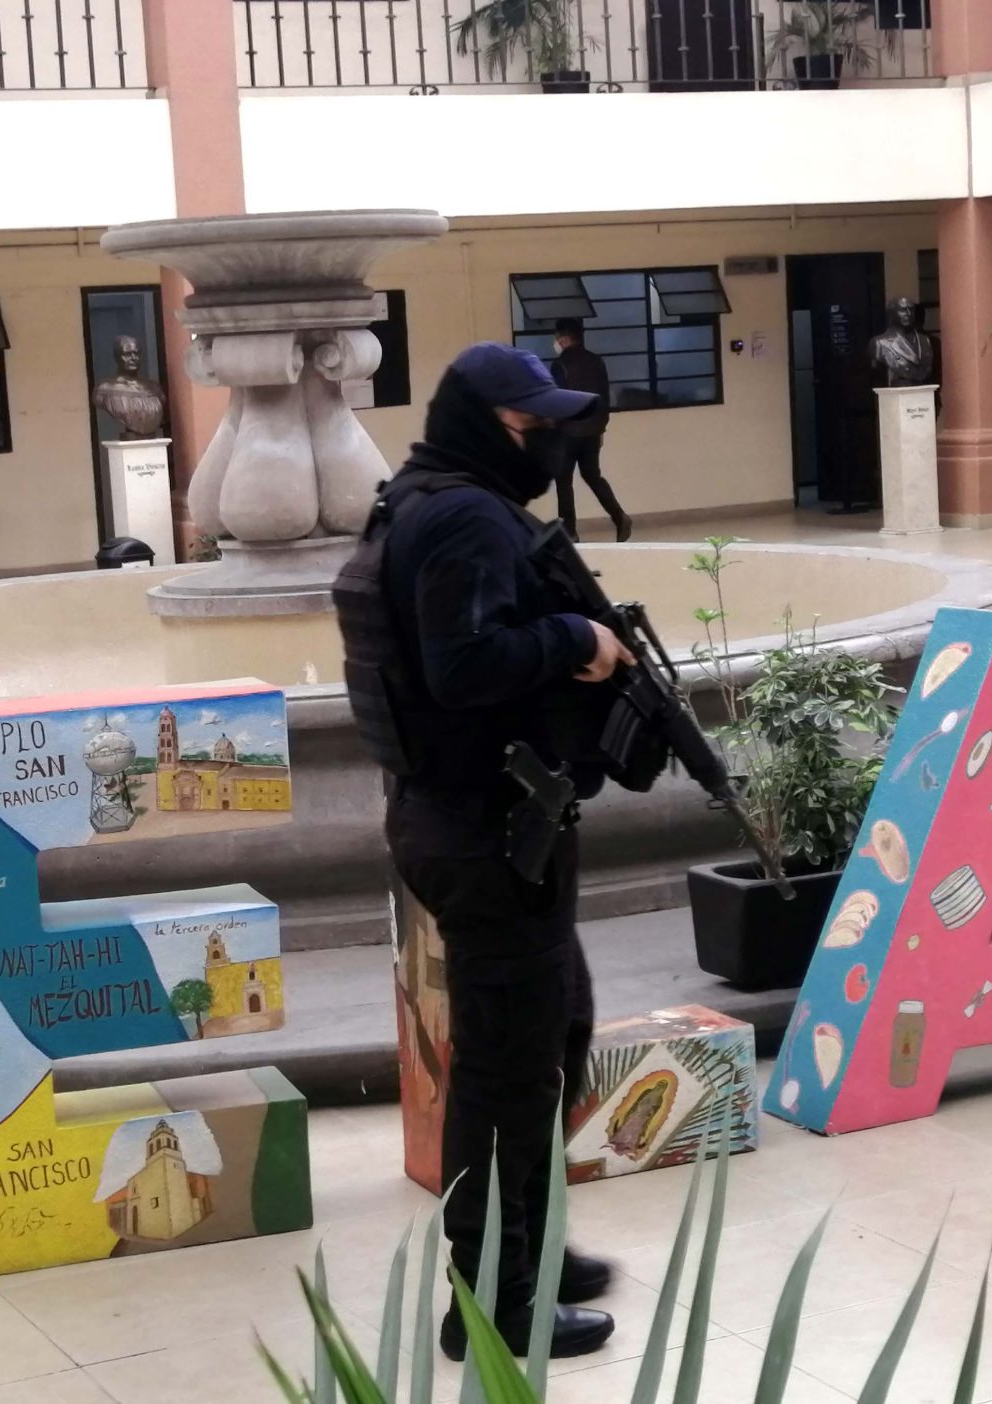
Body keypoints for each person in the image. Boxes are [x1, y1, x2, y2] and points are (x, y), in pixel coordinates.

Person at [335, 343, 630, 1363]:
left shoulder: (425, 499)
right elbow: (464, 668)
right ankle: (495, 1308)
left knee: (553, 1035)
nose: (552, 441)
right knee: (506, 1077)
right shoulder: (460, 514)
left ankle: (530, 1250)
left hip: (480, 822)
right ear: (485, 423)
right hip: (483, 831)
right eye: (531, 424)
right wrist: (573, 645)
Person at [548, 318, 631, 542]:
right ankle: (619, 516)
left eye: (556, 338)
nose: (555, 342)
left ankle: (570, 532)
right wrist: (601, 427)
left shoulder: (560, 365)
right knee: (593, 476)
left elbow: (558, 401)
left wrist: (552, 430)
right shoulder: (597, 361)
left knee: (564, 481)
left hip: (568, 432)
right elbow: (604, 397)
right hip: (593, 430)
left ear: (563, 339)